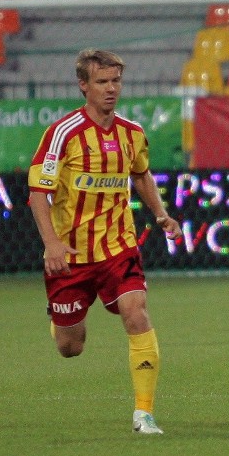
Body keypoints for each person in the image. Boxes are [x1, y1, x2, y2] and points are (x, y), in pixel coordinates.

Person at [28, 49, 183, 434]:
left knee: (137, 312)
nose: (111, 89)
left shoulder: (133, 133)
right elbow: (37, 192)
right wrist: (51, 244)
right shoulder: (63, 134)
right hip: (71, 254)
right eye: (102, 82)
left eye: (115, 81)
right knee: (70, 347)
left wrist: (160, 213)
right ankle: (59, 318)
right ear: (84, 85)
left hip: (118, 247)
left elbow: (142, 175)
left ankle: (143, 413)